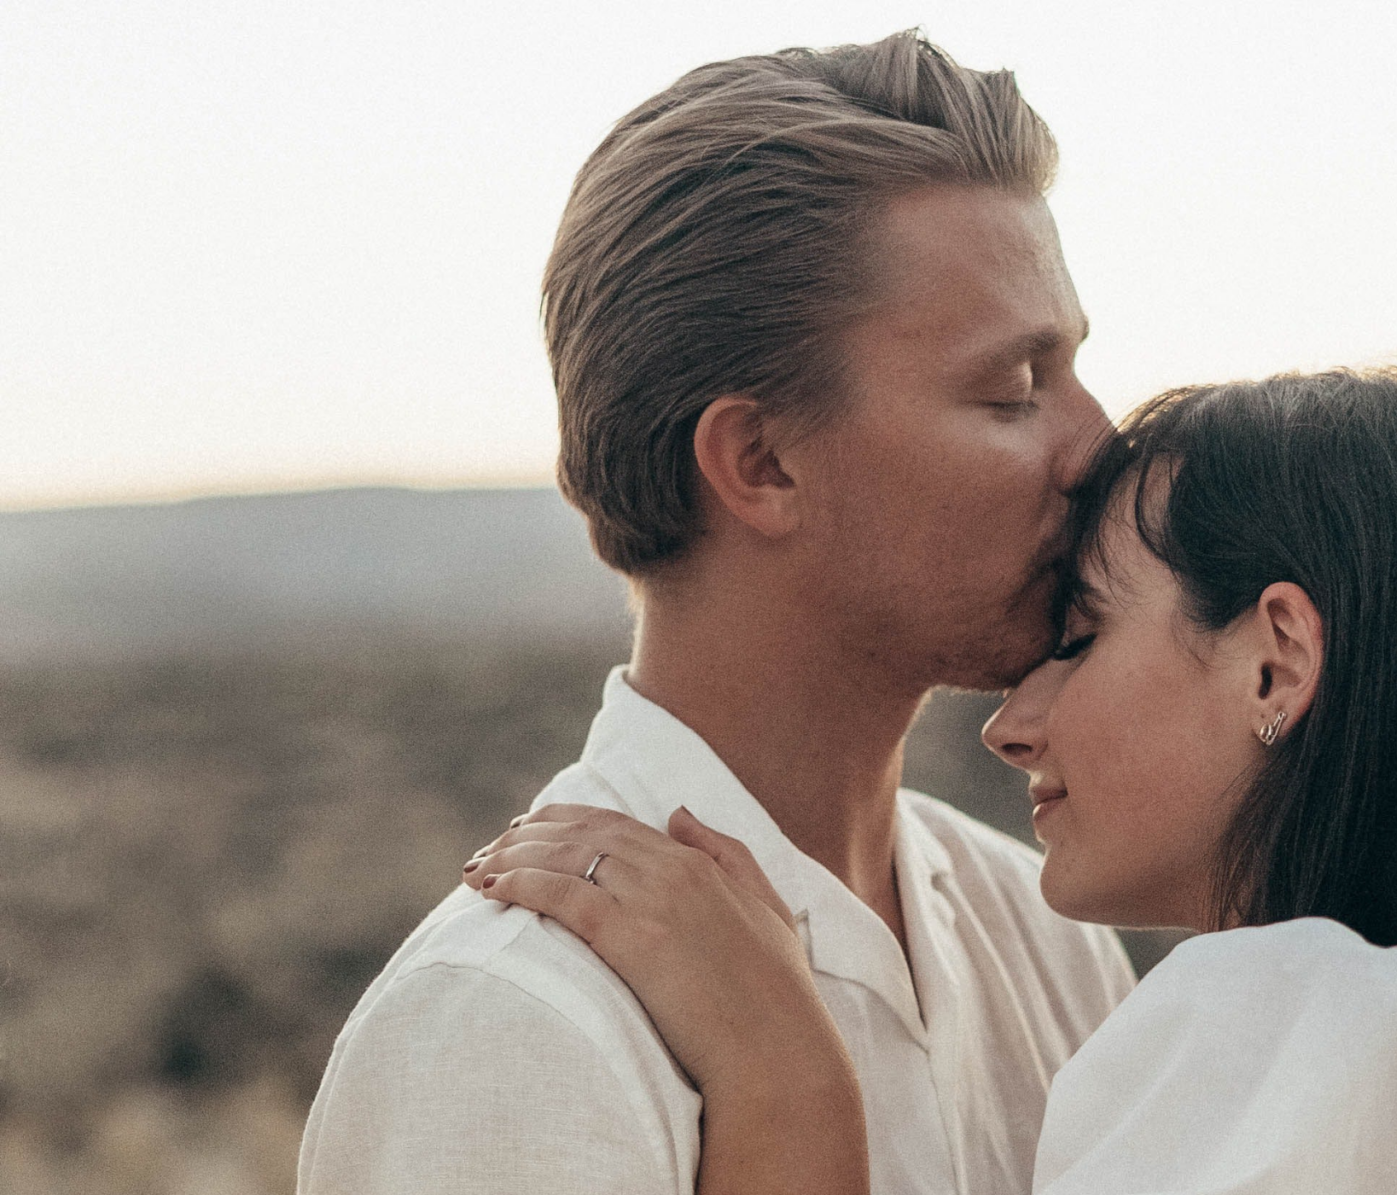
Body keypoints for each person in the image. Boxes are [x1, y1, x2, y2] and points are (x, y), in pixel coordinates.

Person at [464, 365, 1397, 1195]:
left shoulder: (1315, 1032)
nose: (1014, 722)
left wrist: (788, 1091)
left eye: (1084, 634)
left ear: (1276, 660)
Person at [298, 31, 1137, 1195]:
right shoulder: (514, 1023)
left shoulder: (1043, 932)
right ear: (760, 462)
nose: (1098, 446)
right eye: (1012, 390)